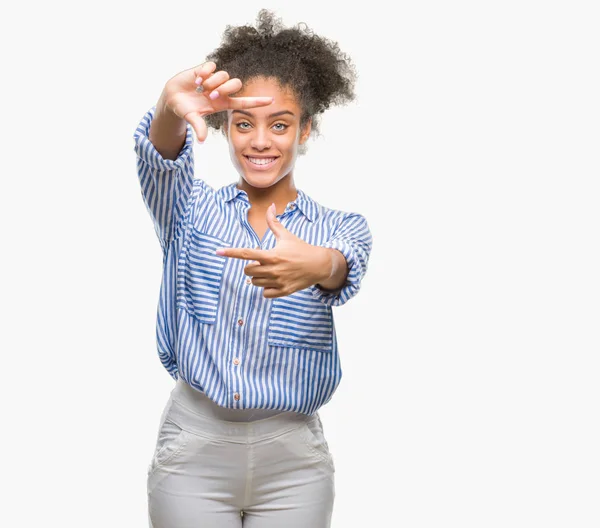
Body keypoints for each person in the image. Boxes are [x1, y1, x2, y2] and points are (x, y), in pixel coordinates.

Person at [132, 9, 373, 528]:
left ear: (305, 128)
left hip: (293, 460)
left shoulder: (338, 226)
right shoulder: (190, 210)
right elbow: (159, 158)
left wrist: (316, 264)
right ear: (225, 126)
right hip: (193, 447)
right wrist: (170, 108)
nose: (260, 141)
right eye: (244, 123)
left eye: (279, 124)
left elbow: (342, 264)